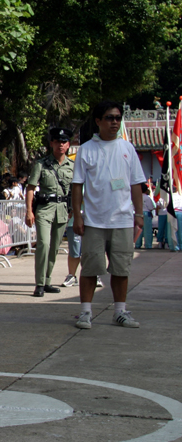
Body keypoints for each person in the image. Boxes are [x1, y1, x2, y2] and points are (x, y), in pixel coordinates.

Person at [72, 101, 145, 329]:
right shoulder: (86, 149)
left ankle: (120, 311)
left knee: (121, 268)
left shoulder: (127, 148)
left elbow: (136, 183)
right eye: (109, 118)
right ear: (98, 121)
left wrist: (139, 213)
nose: (114, 122)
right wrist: (78, 216)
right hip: (94, 220)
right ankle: (85, 312)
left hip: (122, 219)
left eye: (117, 118)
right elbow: (77, 185)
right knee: (90, 268)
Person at [25, 127, 74, 297]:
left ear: (68, 145)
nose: (61, 145)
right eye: (57, 141)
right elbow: (31, 188)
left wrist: (74, 209)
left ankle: (47, 281)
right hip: (44, 209)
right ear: (51, 143)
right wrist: (29, 211)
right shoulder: (41, 164)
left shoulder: (72, 166)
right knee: (44, 244)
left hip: (62, 210)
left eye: (64, 142)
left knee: (54, 248)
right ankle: (39, 284)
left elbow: (75, 189)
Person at [135, 183, 156, 248]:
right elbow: (151, 207)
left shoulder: (136, 197)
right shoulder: (147, 198)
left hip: (138, 213)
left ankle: (137, 244)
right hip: (146, 213)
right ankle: (148, 245)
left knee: (138, 230)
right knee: (147, 230)